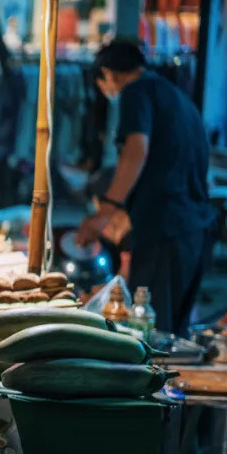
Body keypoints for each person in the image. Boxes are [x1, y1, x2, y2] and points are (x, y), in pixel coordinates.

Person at [77, 39, 216, 336]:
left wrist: (104, 214)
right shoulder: (173, 94)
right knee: (171, 333)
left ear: (108, 74)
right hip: (194, 229)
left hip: (164, 230)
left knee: (149, 334)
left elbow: (135, 150)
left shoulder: (136, 92)